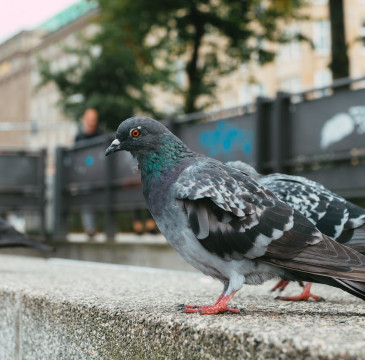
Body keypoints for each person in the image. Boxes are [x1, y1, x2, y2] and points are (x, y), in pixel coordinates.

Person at [74, 108, 103, 239]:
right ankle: (90, 228)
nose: (92, 122)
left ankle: (97, 227)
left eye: (94, 119)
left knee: (99, 200)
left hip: (99, 174)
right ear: (85, 120)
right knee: (86, 199)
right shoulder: (79, 137)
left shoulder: (101, 135)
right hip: (84, 175)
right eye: (89, 119)